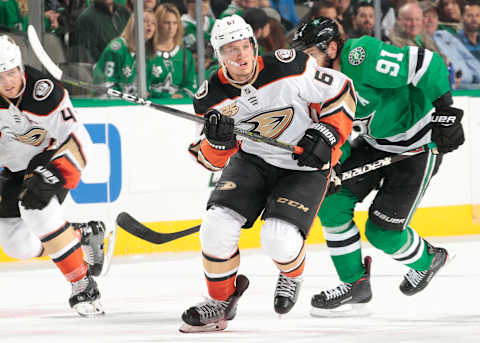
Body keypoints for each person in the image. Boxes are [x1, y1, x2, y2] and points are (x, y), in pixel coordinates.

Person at [180, 14, 355, 332]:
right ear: (219, 55)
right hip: (253, 161)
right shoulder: (210, 98)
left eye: (245, 46)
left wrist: (328, 134)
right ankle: (221, 301)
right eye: (231, 49)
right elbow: (207, 159)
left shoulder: (290, 66)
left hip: (304, 165)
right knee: (215, 228)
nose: (241, 55)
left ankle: (291, 274)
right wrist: (219, 144)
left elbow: (342, 91)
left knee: (278, 240)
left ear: (254, 45)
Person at [291, 17, 465, 316]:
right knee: (330, 202)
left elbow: (427, 64)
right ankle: (355, 284)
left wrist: (446, 109)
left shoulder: (361, 56)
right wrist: (329, 163)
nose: (305, 63)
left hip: (418, 146)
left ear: (332, 48)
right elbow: (338, 133)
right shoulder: (317, 86)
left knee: (383, 232)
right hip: (375, 145)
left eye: (310, 54)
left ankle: (429, 259)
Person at [0, 35, 108, 316]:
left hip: (50, 157)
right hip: (13, 170)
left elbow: (78, 138)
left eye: (12, 72)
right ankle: (82, 234)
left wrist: (56, 172)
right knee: (18, 246)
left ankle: (83, 284)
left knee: (34, 207)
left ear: (20, 66)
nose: (9, 82)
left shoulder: (44, 92)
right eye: (0, 77)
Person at [93, 10, 158, 95]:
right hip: (109, 103)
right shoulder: (116, 49)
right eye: (145, 21)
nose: (149, 25)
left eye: (153, 23)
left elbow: (149, 87)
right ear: (133, 24)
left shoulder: (148, 53)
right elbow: (107, 85)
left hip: (132, 104)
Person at [421, 0, 480, 89]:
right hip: (449, 89)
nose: (431, 20)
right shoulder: (417, 42)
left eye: (434, 16)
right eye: (426, 16)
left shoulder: (445, 35)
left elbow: (470, 60)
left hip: (472, 86)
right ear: (417, 19)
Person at [150, 3, 197, 99]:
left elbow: (191, 86)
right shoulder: (147, 52)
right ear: (158, 24)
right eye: (166, 23)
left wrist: (181, 95)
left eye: (174, 23)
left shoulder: (186, 55)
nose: (171, 27)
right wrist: (162, 96)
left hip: (177, 106)